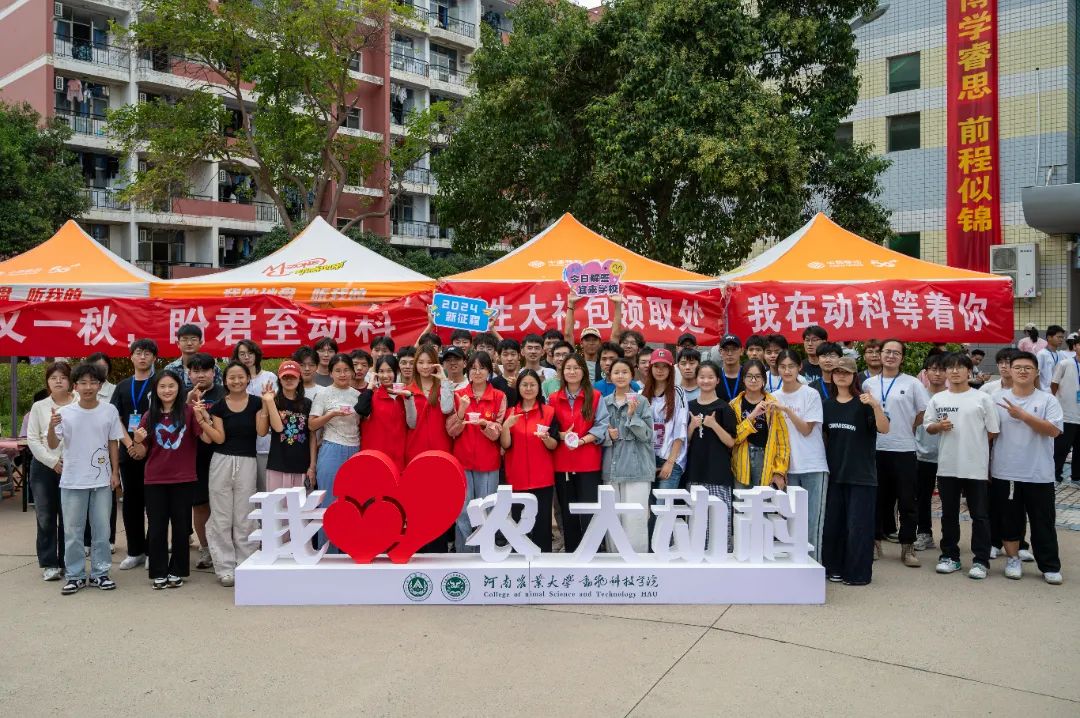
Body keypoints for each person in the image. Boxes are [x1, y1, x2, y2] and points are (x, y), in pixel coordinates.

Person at [48, 362, 128, 595]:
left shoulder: (109, 411)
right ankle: (75, 576)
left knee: (102, 530)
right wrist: (52, 427)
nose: (88, 387)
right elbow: (52, 444)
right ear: (75, 386)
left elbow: (113, 442)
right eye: (82, 383)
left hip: (101, 480)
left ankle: (100, 573)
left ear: (100, 385)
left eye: (93, 382)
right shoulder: (65, 413)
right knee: (73, 531)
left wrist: (115, 473)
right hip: (72, 480)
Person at [990, 352, 1064, 584]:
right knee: (1009, 520)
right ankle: (1013, 559)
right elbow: (989, 434)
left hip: (1039, 472)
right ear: (1009, 371)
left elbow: (1054, 430)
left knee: (1043, 522)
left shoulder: (1048, 400)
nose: (1022, 371)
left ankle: (1049, 565)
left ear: (1036, 372)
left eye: (1028, 368)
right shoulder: (996, 399)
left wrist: (1023, 415)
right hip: (1005, 471)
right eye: (1018, 367)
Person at [925, 353, 1000, 579]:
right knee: (948, 514)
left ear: (969, 371)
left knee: (980, 515)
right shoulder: (938, 399)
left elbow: (993, 431)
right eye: (950, 368)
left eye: (960, 367)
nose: (955, 371)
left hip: (975, 467)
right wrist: (939, 427)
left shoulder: (982, 398)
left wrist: (974, 446)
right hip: (947, 466)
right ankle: (950, 556)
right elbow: (929, 426)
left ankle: (981, 560)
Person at [129, 370, 202, 589]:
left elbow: (206, 437)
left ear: (179, 388)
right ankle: (159, 572)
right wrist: (137, 440)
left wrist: (203, 415)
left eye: (171, 386)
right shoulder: (148, 416)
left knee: (181, 528)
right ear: (156, 390)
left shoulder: (189, 412)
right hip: (155, 480)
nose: (167, 390)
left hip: (183, 478)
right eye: (162, 386)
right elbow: (141, 453)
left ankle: (177, 571)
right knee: (157, 527)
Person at [821, 357, 889, 585]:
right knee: (834, 525)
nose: (841, 376)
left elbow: (884, 428)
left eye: (846, 372)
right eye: (837, 372)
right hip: (835, 475)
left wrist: (876, 406)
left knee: (859, 527)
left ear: (854, 376)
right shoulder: (827, 405)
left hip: (861, 476)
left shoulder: (864, 403)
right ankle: (834, 568)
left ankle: (858, 573)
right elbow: (824, 437)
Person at [201, 361, 268, 586]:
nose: (237, 381)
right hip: (221, 461)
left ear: (248, 378)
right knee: (221, 516)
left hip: (248, 462)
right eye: (232, 377)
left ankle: (246, 562)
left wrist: (267, 405)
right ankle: (224, 567)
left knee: (245, 514)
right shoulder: (219, 406)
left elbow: (261, 431)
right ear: (225, 380)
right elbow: (218, 438)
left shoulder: (257, 402)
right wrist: (203, 420)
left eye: (241, 377)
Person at [865, 339, 928, 563]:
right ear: (880, 354)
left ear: (902, 358)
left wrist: (909, 425)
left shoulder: (912, 383)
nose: (891, 356)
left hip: (904, 448)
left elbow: (923, 412)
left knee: (907, 501)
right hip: (875, 449)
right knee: (876, 499)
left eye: (896, 353)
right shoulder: (868, 384)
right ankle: (874, 543)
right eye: (887, 351)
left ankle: (907, 546)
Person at [771, 349, 829, 561]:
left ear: (799, 367)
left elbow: (806, 429)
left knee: (812, 523)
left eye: (791, 366)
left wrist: (786, 410)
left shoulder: (810, 394)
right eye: (782, 366)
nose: (787, 371)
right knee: (790, 523)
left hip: (813, 465)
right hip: (787, 468)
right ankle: (795, 570)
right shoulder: (773, 397)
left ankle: (814, 568)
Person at [448, 352, 507, 552]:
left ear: (489, 371)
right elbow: (451, 431)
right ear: (468, 371)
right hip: (462, 461)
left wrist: (484, 425)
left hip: (488, 463)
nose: (477, 372)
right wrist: (461, 411)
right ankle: (464, 554)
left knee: (486, 510)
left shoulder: (499, 396)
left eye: (482, 368)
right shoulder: (458, 394)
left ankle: (485, 553)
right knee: (463, 511)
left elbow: (497, 432)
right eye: (473, 368)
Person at [549, 354, 608, 553]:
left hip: (588, 462)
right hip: (562, 463)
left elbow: (602, 425)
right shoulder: (553, 398)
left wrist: (582, 441)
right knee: (568, 512)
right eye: (568, 368)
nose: (572, 372)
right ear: (562, 372)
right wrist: (562, 435)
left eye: (576, 368)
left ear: (583, 371)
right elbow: (550, 428)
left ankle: (593, 553)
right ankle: (572, 553)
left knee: (590, 511)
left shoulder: (595, 396)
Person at [111, 338, 158, 571]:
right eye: (138, 353)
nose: (142, 357)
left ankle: (152, 551)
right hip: (128, 452)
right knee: (131, 503)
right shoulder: (122, 386)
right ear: (131, 357)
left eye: (147, 353)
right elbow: (116, 418)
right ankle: (135, 551)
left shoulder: (160, 383)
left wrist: (144, 445)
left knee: (155, 504)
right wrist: (131, 444)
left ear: (154, 358)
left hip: (155, 452)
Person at [598, 358, 655, 552]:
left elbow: (647, 435)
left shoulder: (642, 401)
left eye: (625, 372)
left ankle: (636, 562)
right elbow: (596, 433)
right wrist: (608, 435)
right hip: (612, 468)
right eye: (616, 372)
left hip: (636, 469)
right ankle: (614, 561)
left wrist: (632, 415)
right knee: (612, 518)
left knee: (635, 520)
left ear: (632, 375)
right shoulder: (604, 402)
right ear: (610, 375)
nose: (620, 376)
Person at [500, 370, 559, 552]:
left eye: (532, 384)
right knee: (519, 524)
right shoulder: (510, 412)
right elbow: (506, 445)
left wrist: (546, 438)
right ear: (518, 387)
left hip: (542, 478)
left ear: (539, 388)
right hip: (517, 476)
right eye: (524, 384)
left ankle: (544, 561)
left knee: (542, 524)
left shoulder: (548, 412)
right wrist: (505, 427)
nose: (528, 388)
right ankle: (520, 561)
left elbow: (554, 445)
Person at [309, 354, 361, 552]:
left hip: (355, 449)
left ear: (352, 372)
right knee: (330, 504)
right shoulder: (323, 394)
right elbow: (312, 424)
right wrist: (331, 414)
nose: (342, 374)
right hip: (332, 448)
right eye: (338, 370)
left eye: (346, 370)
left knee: (352, 504)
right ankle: (328, 554)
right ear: (330, 373)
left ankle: (350, 552)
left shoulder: (357, 395)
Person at [27, 361, 73, 581]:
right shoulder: (39, 406)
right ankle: (49, 563)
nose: (58, 381)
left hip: (72, 467)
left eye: (63, 377)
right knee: (45, 516)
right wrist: (52, 461)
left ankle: (67, 561)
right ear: (47, 382)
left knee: (69, 517)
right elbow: (33, 440)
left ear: (70, 381)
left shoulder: (79, 403)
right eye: (53, 378)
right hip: (43, 466)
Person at [684, 361, 737, 548]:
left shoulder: (724, 407)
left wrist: (714, 425)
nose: (706, 381)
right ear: (696, 379)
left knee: (719, 525)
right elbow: (683, 442)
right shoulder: (689, 406)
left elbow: (731, 442)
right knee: (696, 526)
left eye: (710, 377)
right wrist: (691, 427)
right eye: (702, 377)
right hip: (695, 472)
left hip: (718, 474)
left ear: (717, 380)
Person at [186, 352, 225, 570]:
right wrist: (187, 403)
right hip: (194, 458)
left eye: (205, 370)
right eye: (196, 371)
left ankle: (225, 547)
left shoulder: (224, 393)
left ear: (213, 372)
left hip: (221, 456)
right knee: (200, 505)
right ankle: (206, 548)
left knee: (222, 505)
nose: (200, 375)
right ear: (189, 374)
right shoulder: (183, 395)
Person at [729, 359, 790, 489]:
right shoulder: (734, 405)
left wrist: (779, 471)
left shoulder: (773, 403)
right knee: (741, 501)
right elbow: (734, 438)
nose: (753, 380)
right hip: (741, 462)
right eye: (749, 376)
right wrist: (752, 416)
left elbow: (782, 441)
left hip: (766, 459)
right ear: (743, 379)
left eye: (758, 376)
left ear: (764, 379)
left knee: (764, 500)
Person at [262, 361, 315, 491]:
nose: (289, 380)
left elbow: (312, 436)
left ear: (299, 379)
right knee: (276, 503)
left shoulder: (307, 403)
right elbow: (273, 429)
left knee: (301, 503)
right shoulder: (274, 400)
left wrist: (312, 466)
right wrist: (268, 402)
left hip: (302, 465)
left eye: (293, 377)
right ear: (279, 380)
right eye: (285, 377)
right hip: (277, 464)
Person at [356, 355, 414, 472]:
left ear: (397, 372)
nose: (385, 375)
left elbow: (412, 424)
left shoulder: (404, 396)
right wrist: (371, 384)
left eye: (389, 371)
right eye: (381, 371)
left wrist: (409, 397)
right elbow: (361, 409)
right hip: (375, 459)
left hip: (398, 459)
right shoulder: (371, 396)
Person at [233, 339, 277, 493]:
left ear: (256, 355)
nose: (246, 357)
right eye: (242, 354)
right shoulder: (235, 380)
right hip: (242, 444)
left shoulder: (269, 377)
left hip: (265, 443)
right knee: (246, 490)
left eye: (250, 353)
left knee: (266, 488)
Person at [913, 353, 946, 553]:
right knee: (922, 496)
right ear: (926, 373)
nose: (938, 374)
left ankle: (949, 537)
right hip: (922, 454)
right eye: (933, 369)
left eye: (942, 369)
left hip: (948, 455)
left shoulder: (952, 396)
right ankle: (924, 533)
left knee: (949, 499)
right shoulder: (918, 395)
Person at [644, 349, 688, 496]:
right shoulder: (642, 393)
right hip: (648, 459)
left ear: (671, 369)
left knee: (663, 504)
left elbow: (680, 430)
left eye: (664, 366)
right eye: (656, 366)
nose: (660, 370)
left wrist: (670, 462)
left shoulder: (678, 393)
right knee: (647, 505)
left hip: (670, 458)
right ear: (651, 368)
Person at [406, 344, 455, 464]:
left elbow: (447, 409)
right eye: (421, 362)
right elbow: (410, 423)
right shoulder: (407, 391)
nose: (425, 366)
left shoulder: (444, 387)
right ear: (415, 364)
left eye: (429, 362)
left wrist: (444, 380)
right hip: (415, 449)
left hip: (442, 448)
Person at [564, 291, 623, 379]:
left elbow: (616, 335)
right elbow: (568, 334)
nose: (591, 343)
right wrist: (571, 304)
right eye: (587, 340)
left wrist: (618, 304)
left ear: (600, 342)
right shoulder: (576, 362)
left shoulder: (607, 363)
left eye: (594, 340)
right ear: (581, 343)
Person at [1051, 346, 1080, 483]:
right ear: (1075, 346)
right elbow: (1054, 384)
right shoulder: (1065, 364)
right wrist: (1057, 402)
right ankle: (1055, 474)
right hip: (1067, 414)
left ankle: (1077, 476)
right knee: (1062, 447)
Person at [165, 323, 222, 389]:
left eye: (193, 339)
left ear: (200, 343)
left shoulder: (212, 367)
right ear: (178, 344)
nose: (189, 343)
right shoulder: (170, 369)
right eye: (185, 339)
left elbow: (219, 391)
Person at [1036, 325, 1066, 391]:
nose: (1061, 340)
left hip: (1057, 391)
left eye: (1062, 337)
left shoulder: (1060, 354)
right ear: (1049, 337)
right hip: (1045, 391)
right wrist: (1038, 392)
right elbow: (1036, 375)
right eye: (1059, 337)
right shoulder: (1042, 354)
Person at [717, 335, 745, 403]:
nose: (729, 353)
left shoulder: (748, 374)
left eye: (734, 349)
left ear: (741, 351)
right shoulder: (714, 375)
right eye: (726, 349)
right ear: (720, 352)